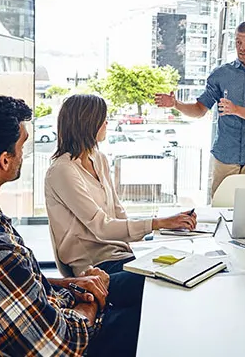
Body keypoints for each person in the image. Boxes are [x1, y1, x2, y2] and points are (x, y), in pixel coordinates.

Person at [0, 96, 134, 356]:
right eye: (22, 145)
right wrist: (92, 299)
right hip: (51, 343)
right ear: (4, 160)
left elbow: (7, 288)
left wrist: (71, 285)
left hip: (16, 331)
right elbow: (62, 346)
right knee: (143, 318)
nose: (24, 154)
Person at [44, 93, 196, 277]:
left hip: (121, 255)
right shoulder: (63, 171)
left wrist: (147, 245)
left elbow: (118, 212)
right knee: (170, 278)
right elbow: (101, 226)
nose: (107, 123)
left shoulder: (98, 159)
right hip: (95, 268)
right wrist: (159, 223)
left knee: (187, 265)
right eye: (103, 118)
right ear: (88, 123)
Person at [155, 21, 245, 195]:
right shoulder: (221, 74)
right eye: (238, 42)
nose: (242, 47)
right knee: (221, 208)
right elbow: (200, 109)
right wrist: (176, 104)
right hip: (225, 156)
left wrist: (235, 109)